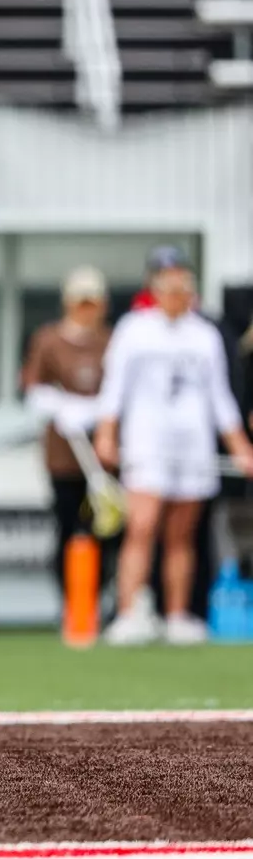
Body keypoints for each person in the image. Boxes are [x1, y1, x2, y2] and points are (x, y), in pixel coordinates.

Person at [94, 248, 253, 645]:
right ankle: (131, 613)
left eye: (182, 281)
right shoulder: (134, 328)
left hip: (193, 445)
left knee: (182, 534)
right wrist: (107, 433)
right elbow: (114, 389)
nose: (177, 289)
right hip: (148, 442)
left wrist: (240, 447)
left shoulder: (204, 335)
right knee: (142, 526)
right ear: (155, 286)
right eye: (168, 282)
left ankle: (178, 614)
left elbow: (221, 398)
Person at [20, 267, 113, 600]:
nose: (86, 310)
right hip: (63, 457)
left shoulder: (111, 340)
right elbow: (33, 387)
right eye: (80, 303)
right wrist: (59, 406)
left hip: (102, 459)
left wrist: (98, 410)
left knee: (103, 529)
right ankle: (70, 602)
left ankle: (98, 597)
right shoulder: (49, 340)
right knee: (67, 528)